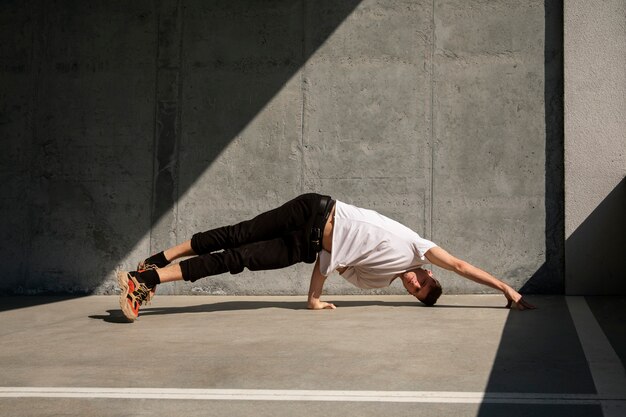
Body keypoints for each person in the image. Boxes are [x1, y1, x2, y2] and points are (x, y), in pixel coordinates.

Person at [118, 193, 535, 321]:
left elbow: (329, 261)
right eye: (423, 282)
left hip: (309, 245)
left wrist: (313, 299)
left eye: (416, 292)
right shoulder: (418, 247)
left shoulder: (377, 280)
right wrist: (505, 288)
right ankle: (153, 263)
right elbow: (461, 266)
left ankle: (147, 282)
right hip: (315, 210)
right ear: (428, 272)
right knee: (235, 234)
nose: (414, 284)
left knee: (236, 259)